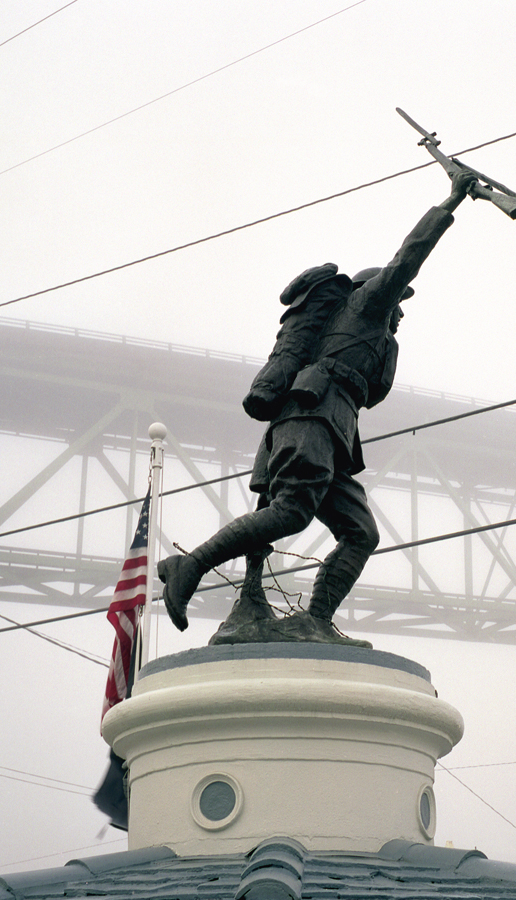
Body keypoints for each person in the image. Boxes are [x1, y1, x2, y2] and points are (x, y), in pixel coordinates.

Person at [158, 167, 480, 643]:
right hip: (312, 417)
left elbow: (373, 389)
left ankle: (316, 618)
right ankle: (192, 565)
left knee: (360, 533)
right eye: (398, 301)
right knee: (292, 511)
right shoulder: (365, 307)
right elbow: (407, 259)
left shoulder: (378, 336)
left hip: (331, 433)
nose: (401, 311)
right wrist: (451, 202)